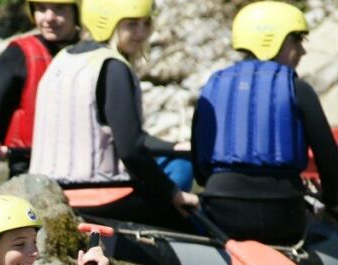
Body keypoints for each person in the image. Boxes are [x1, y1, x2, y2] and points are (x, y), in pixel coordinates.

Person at [29, 0, 199, 232]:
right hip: (103, 201)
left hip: (48, 194)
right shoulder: (113, 67)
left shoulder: (61, 59)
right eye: (131, 24)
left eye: (145, 23)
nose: (141, 33)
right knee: (182, 168)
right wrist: (173, 193)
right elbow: (130, 150)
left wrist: (173, 146)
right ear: (106, 24)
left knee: (176, 156)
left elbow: (114, 134)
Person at [192, 1, 338, 245]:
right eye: (297, 41)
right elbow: (330, 164)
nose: (302, 52)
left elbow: (200, 169)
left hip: (222, 212)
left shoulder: (212, 88)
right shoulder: (298, 89)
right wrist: (331, 202)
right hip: (282, 215)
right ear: (272, 41)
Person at [0, 1, 81, 178]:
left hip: (84, 174)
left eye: (59, 9)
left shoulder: (97, 54)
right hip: (28, 172)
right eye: (40, 9)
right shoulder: (17, 55)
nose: (49, 18)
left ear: (77, 12)